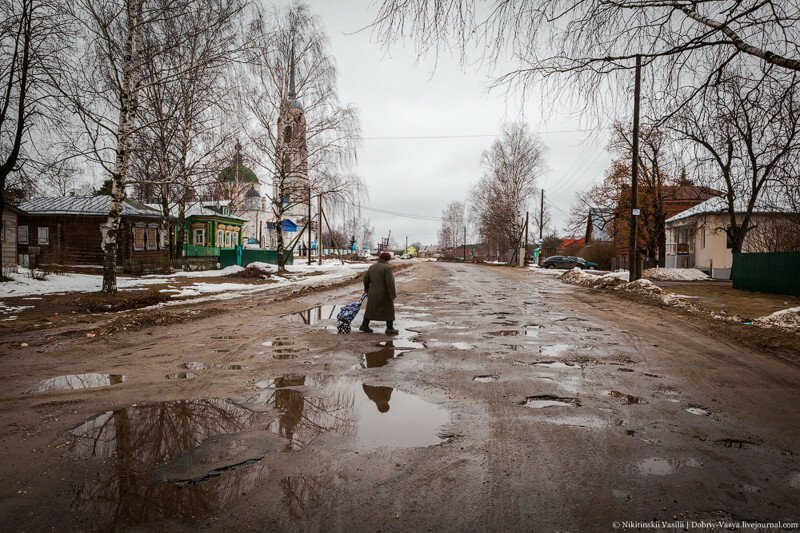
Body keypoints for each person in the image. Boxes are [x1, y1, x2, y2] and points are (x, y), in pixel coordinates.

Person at [360, 251, 398, 335]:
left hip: (372, 292)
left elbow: (366, 279)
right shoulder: (387, 268)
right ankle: (390, 328)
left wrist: (366, 290)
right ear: (387, 259)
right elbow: (390, 282)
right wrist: (392, 294)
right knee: (389, 309)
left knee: (370, 309)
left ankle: (364, 325)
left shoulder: (372, 267)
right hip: (384, 293)